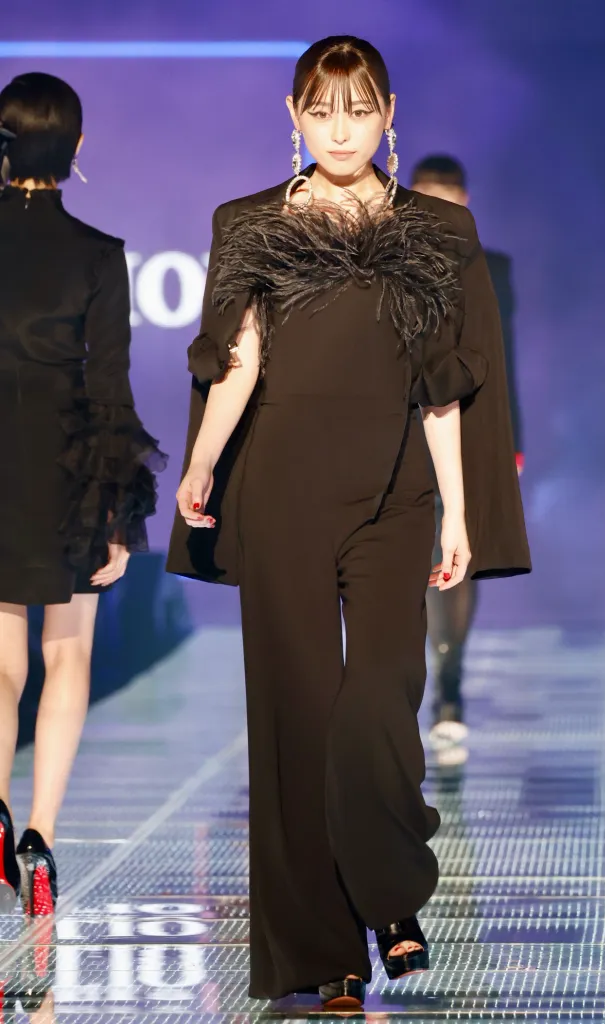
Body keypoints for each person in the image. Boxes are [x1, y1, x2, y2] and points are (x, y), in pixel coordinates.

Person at [167, 35, 530, 1009]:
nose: (339, 131)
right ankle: (322, 956)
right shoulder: (248, 222)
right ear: (293, 116)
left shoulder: (434, 231)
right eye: (321, 111)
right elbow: (236, 359)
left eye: (358, 110)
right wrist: (200, 463)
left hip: (394, 493)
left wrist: (458, 511)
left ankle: (389, 891)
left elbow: (441, 384)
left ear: (389, 115)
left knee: (375, 700)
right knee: (296, 715)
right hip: (279, 490)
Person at [0, 73, 165, 917]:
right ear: (77, 148)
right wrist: (118, 514)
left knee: (1, 664)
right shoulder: (99, 255)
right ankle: (39, 836)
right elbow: (110, 392)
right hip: (67, 469)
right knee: (66, 655)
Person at [411, 155, 524, 752]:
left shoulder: (490, 267)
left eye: (447, 205)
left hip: (471, 427)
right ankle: (406, 691)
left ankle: (449, 688)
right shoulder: (388, 261)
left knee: (454, 558)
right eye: (425, 203)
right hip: (397, 426)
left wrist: (512, 440)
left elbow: (502, 361)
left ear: (466, 204)